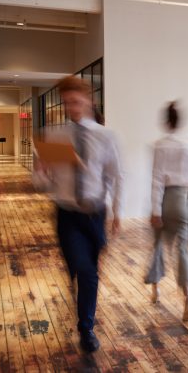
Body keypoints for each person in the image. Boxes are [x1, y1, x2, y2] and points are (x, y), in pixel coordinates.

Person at [32, 75, 123, 353]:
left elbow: (116, 175)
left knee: (89, 272)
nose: (72, 106)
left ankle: (85, 323)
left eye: (76, 100)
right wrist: (41, 172)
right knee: (83, 269)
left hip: (95, 213)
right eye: (67, 102)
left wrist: (117, 212)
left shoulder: (105, 136)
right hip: (67, 213)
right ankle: (87, 328)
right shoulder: (55, 136)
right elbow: (42, 184)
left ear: (88, 100)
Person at [145, 102, 188, 322]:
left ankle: (155, 289)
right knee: (183, 250)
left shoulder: (160, 145)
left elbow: (157, 179)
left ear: (166, 121)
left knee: (158, 244)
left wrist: (155, 210)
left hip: (167, 199)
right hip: (185, 199)